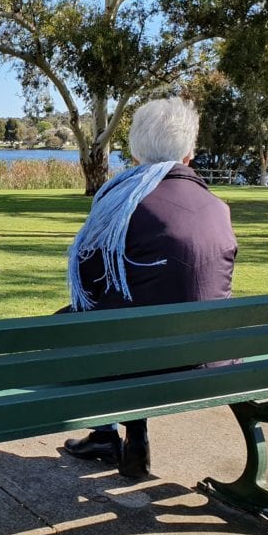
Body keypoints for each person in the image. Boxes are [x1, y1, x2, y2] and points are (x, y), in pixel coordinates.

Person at [61, 97, 237, 480]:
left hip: (142, 355)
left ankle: (112, 433)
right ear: (189, 153)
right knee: (138, 319)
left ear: (136, 150)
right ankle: (117, 435)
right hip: (209, 358)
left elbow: (90, 284)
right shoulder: (217, 206)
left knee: (73, 327)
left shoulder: (120, 201)